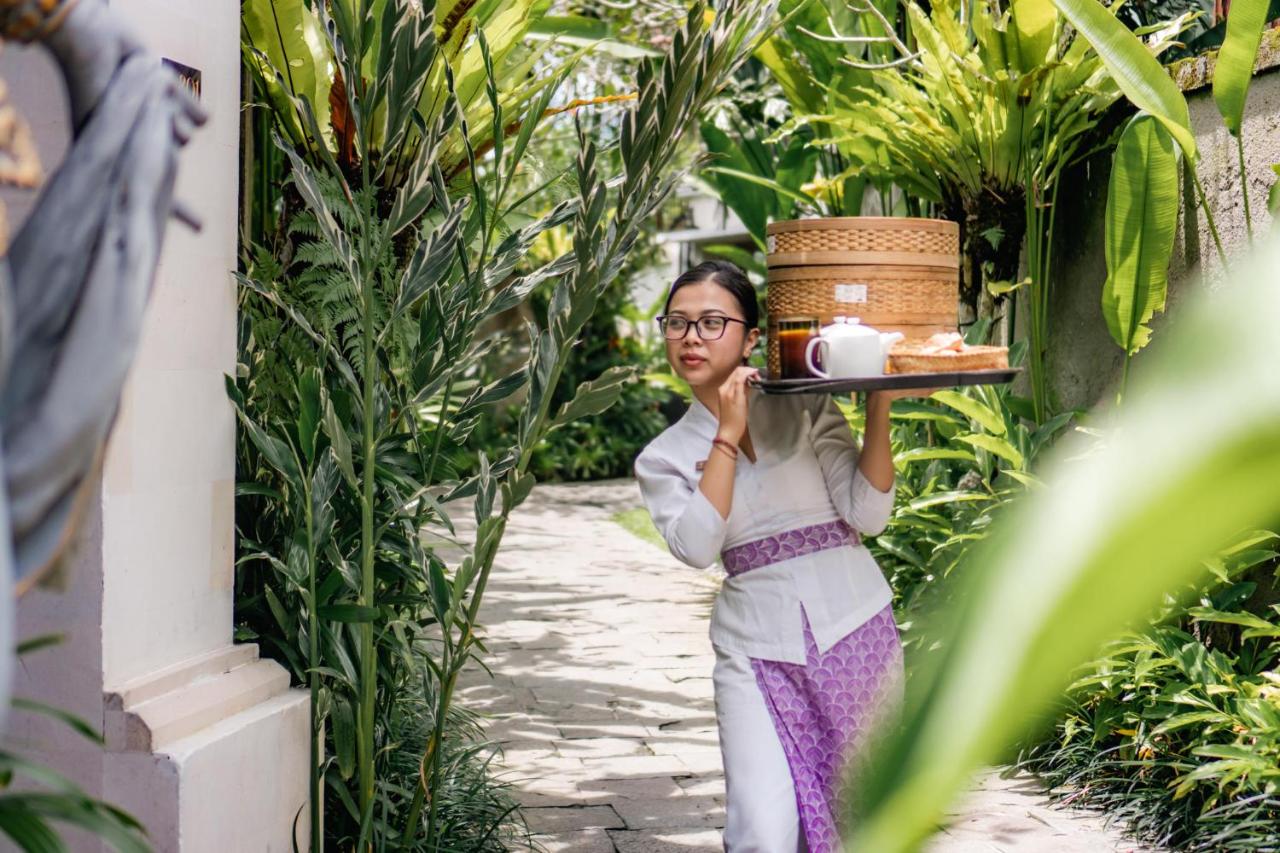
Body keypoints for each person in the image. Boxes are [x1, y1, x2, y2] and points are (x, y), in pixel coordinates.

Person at [633, 260, 928, 852]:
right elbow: (697, 547)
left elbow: (867, 514)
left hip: (854, 627)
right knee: (761, 832)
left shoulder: (805, 405)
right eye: (677, 323)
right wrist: (726, 432)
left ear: (751, 339)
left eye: (712, 322)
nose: (691, 337)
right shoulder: (662, 457)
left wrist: (879, 404)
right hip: (752, 647)